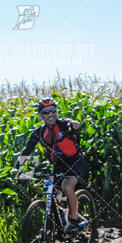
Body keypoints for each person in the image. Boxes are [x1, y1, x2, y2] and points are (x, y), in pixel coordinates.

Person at [16, 98, 86, 232]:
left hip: (75, 161)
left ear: (57, 112)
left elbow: (70, 122)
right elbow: (27, 151)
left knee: (67, 186)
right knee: (53, 192)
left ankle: (73, 220)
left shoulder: (64, 125)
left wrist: (75, 124)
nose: (50, 115)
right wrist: (18, 170)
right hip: (58, 164)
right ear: (40, 116)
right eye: (46, 112)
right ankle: (61, 220)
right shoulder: (39, 132)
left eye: (53, 111)